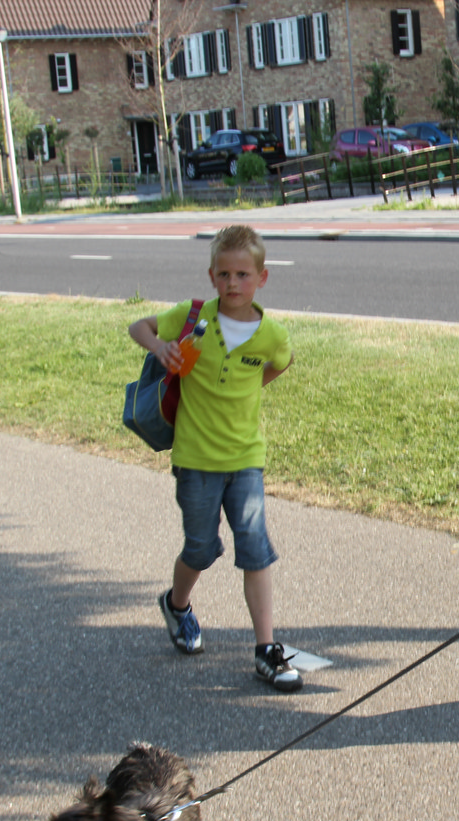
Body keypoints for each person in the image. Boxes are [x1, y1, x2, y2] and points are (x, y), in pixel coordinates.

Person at [128, 225, 303, 691]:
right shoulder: (193, 317)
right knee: (201, 549)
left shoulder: (271, 334)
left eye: (243, 275)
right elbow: (139, 326)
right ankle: (177, 605)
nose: (233, 283)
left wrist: (251, 387)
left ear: (262, 278)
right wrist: (159, 347)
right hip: (196, 458)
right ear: (211, 276)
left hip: (245, 458)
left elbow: (282, 360)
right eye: (224, 274)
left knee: (255, 548)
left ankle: (266, 649)